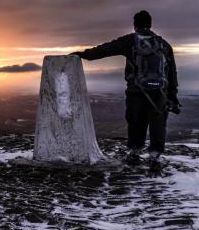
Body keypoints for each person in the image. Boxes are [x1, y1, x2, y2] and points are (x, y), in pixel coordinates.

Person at [70, 10, 179, 165]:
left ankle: (134, 152)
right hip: (159, 92)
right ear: (150, 24)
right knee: (158, 122)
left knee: (136, 120)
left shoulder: (130, 41)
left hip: (136, 90)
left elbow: (106, 49)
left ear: (135, 25)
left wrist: (84, 54)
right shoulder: (164, 45)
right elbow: (172, 73)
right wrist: (172, 95)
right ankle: (155, 155)